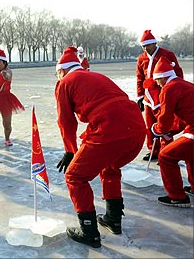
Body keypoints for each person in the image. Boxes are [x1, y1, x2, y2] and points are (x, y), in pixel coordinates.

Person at [54, 46, 146, 248]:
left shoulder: (65, 82)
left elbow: (66, 121)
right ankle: (113, 219)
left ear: (62, 70)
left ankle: (89, 231)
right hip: (138, 128)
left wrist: (70, 150)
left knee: (75, 176)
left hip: (110, 129)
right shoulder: (95, 75)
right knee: (110, 165)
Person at [150, 56, 194, 207]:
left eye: (157, 79)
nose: (156, 83)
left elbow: (165, 116)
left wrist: (158, 129)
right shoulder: (183, 84)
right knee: (190, 153)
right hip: (192, 127)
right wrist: (171, 131)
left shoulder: (169, 89)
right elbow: (184, 116)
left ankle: (177, 196)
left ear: (163, 77)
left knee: (166, 156)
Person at [136, 30, 183, 161]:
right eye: (143, 46)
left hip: (163, 95)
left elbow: (177, 73)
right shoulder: (141, 58)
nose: (146, 48)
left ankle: (166, 150)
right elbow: (140, 77)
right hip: (148, 97)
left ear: (155, 43)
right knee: (149, 124)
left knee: (165, 123)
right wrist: (140, 95)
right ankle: (153, 150)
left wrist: (176, 92)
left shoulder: (167, 54)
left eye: (149, 45)